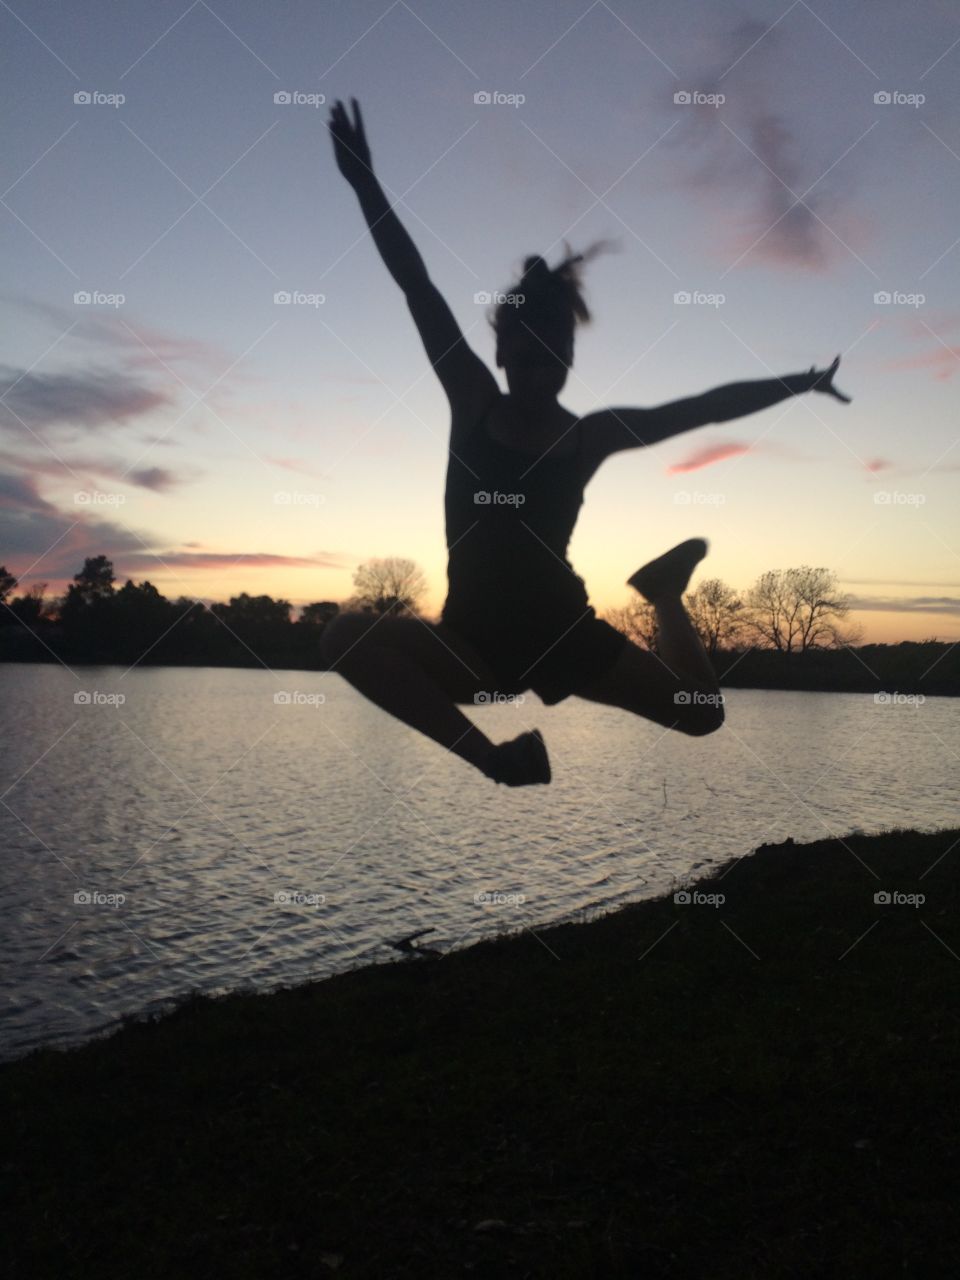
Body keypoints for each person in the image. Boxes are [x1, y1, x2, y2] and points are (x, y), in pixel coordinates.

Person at [320, 98, 851, 786]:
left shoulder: (588, 437)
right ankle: (494, 759)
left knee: (702, 714)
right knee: (344, 637)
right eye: (531, 349)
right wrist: (365, 183)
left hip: (563, 634)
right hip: (472, 646)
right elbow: (414, 284)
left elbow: (702, 408)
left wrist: (803, 381)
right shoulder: (472, 400)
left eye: (559, 351)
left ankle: (662, 592)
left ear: (571, 356)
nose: (545, 365)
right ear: (503, 350)